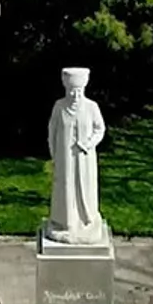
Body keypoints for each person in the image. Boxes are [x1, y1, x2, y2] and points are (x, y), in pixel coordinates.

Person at [46, 67, 107, 245]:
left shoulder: (91, 107)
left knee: (84, 188)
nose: (75, 95)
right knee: (65, 188)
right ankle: (66, 222)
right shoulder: (59, 107)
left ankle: (86, 219)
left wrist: (88, 144)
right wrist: (55, 155)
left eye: (79, 91)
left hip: (84, 159)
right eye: (72, 91)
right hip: (65, 159)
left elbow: (100, 129)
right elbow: (52, 131)